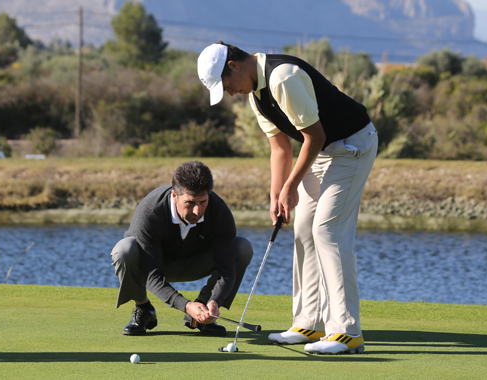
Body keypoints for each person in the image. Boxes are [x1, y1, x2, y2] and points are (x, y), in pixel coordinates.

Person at [197, 42, 378, 354]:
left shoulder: (282, 77)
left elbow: (315, 136)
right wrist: (276, 194)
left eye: (227, 85)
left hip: (351, 146)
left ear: (234, 66)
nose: (229, 93)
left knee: (328, 230)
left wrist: (291, 186)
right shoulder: (256, 94)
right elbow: (280, 147)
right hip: (322, 152)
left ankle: (347, 331)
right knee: (305, 229)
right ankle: (309, 322)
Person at [110, 160, 254, 337]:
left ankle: (203, 315)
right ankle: (143, 308)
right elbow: (152, 275)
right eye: (190, 202)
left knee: (243, 247)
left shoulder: (219, 210)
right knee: (125, 250)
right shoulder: (150, 212)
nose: (197, 210)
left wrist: (215, 300)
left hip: (196, 263)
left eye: (203, 201)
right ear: (174, 196)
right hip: (153, 265)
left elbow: (226, 269)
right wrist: (185, 305)